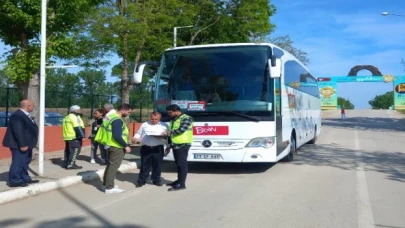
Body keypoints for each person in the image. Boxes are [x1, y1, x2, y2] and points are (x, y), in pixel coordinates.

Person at [2, 100, 39, 187]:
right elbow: (18, 131)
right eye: (33, 106)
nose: (34, 108)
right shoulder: (18, 116)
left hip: (27, 144)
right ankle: (15, 180)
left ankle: (24, 177)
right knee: (18, 162)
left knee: (25, 161)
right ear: (28, 106)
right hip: (19, 145)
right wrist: (22, 144)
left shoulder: (24, 115)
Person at [132, 112, 169, 188]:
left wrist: (168, 145)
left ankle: (156, 180)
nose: (154, 120)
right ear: (150, 117)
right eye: (152, 119)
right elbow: (139, 133)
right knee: (144, 165)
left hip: (158, 148)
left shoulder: (164, 125)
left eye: (156, 119)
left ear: (159, 119)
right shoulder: (144, 125)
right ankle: (141, 181)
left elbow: (168, 137)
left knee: (157, 165)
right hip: (146, 148)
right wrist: (135, 138)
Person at [162, 104, 194, 191]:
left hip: (183, 144)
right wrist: (168, 146)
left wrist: (168, 133)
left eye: (170, 113)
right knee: (178, 164)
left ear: (177, 111)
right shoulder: (173, 120)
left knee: (182, 164)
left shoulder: (186, 118)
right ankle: (179, 181)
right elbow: (170, 134)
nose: (169, 114)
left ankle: (182, 184)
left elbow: (181, 130)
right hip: (175, 144)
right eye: (168, 113)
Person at [102, 103, 132, 194]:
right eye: (128, 112)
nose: (128, 114)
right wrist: (125, 145)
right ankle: (109, 188)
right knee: (113, 167)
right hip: (116, 146)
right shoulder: (117, 120)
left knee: (110, 166)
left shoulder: (110, 116)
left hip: (110, 144)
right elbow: (117, 136)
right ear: (123, 110)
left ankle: (106, 184)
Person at [62, 105, 85, 169]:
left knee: (68, 151)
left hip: (67, 137)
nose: (80, 111)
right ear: (76, 110)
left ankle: (66, 163)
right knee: (75, 151)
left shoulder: (67, 117)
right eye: (79, 109)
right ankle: (71, 164)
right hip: (74, 137)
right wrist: (82, 136)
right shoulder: (74, 117)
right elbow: (77, 127)